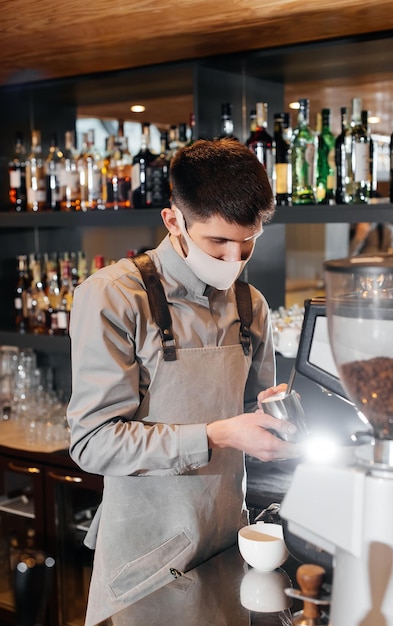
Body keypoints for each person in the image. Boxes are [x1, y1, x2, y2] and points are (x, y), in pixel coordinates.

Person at [67, 138, 300, 626]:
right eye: (217, 242)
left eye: (248, 241)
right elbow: (93, 443)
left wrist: (275, 416)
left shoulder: (250, 303)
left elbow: (251, 417)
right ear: (174, 220)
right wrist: (217, 434)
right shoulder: (113, 296)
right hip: (145, 565)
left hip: (226, 549)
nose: (235, 257)